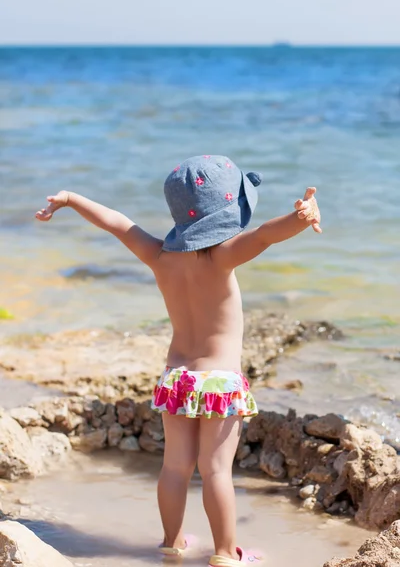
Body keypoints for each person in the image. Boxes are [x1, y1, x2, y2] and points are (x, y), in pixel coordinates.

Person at [36, 155, 321, 566]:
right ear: (227, 211)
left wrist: (70, 198)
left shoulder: (160, 257)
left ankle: (172, 543)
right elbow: (264, 236)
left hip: (177, 379)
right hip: (219, 381)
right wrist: (302, 216)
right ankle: (225, 553)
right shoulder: (222, 256)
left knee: (175, 468)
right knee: (217, 471)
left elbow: (116, 222)